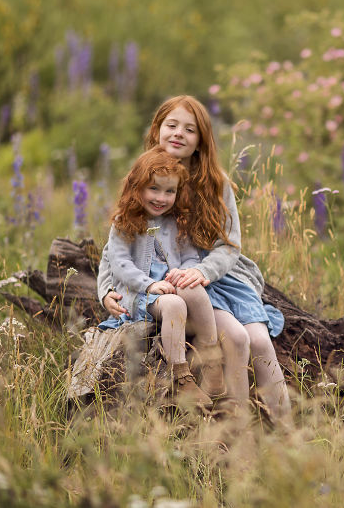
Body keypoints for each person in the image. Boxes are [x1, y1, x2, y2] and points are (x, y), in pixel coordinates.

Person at [98, 95, 291, 422]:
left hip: (214, 274)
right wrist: (104, 290)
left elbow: (230, 246)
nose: (178, 134)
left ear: (201, 140)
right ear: (157, 129)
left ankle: (284, 428)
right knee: (235, 337)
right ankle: (230, 425)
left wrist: (202, 270)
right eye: (171, 125)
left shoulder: (216, 184)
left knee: (258, 339)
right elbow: (117, 242)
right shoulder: (147, 177)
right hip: (173, 282)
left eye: (189, 129)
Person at [98, 146, 225, 412]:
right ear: (136, 187)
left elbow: (191, 256)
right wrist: (149, 284)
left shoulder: (177, 222)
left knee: (192, 287)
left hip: (170, 285)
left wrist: (186, 271)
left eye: (169, 191)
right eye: (153, 189)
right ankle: (181, 375)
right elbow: (118, 264)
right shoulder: (125, 221)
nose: (161, 198)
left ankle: (212, 362)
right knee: (174, 305)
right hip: (139, 294)